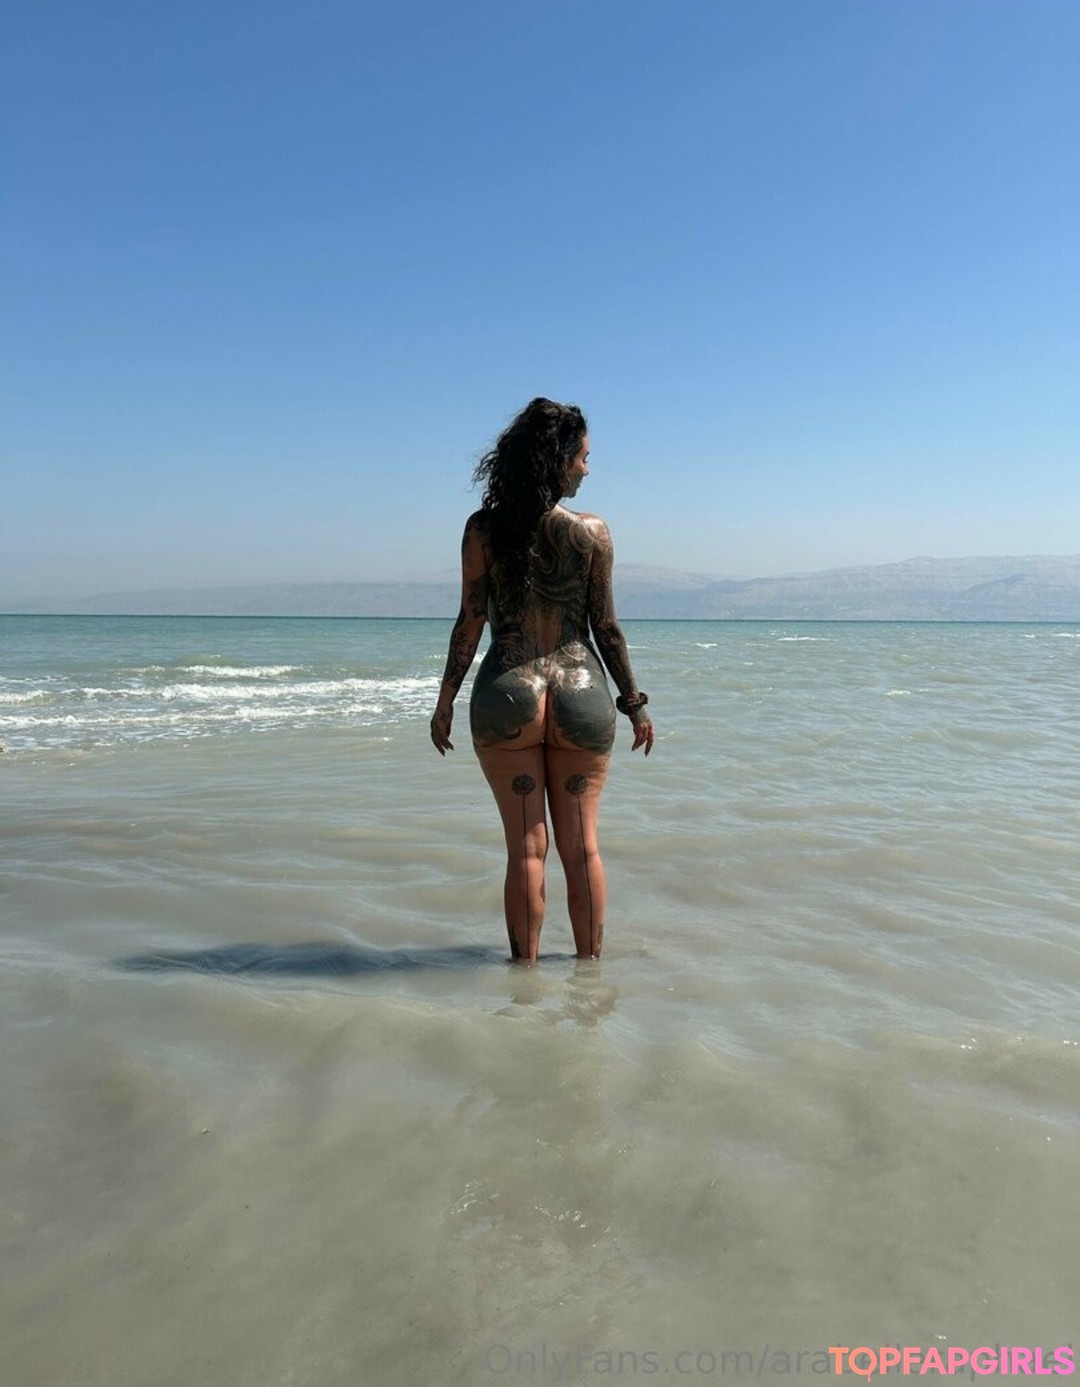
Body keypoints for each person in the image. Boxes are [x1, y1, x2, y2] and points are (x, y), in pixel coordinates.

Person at [430, 397, 653, 964]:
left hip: (508, 694)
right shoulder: (592, 533)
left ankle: (523, 980)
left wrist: (445, 700)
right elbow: (606, 627)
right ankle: (589, 978)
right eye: (582, 457)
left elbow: (470, 621)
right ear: (557, 459)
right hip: (581, 694)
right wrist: (634, 704)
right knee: (582, 849)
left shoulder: (483, 530)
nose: (587, 469)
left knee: (526, 852)